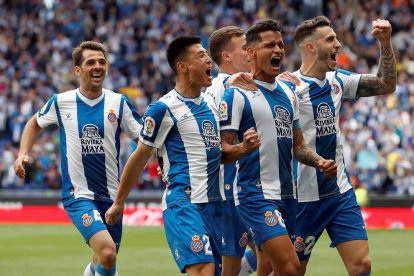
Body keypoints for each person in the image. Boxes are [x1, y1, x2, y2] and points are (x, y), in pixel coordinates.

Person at [105, 35, 260, 275]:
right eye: (201, 56)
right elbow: (139, 157)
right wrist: (119, 202)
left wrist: (244, 148)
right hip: (184, 202)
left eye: (207, 55)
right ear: (182, 66)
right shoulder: (163, 109)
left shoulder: (210, 104)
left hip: (215, 205)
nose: (209, 59)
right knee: (203, 270)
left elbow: (219, 154)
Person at [14, 41, 142, 276]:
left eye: (102, 62)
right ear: (78, 70)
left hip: (113, 196)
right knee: (107, 252)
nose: (97, 66)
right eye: (90, 62)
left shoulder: (119, 103)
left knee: (104, 261)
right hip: (77, 195)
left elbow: (146, 141)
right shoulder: (61, 102)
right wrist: (23, 153)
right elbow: (34, 123)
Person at [220, 19, 337, 276]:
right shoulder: (237, 94)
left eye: (280, 45)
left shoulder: (288, 92)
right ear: (250, 52)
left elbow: (299, 147)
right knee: (291, 268)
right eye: (269, 45)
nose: (278, 50)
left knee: (268, 268)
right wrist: (244, 147)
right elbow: (223, 152)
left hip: (288, 195)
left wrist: (319, 161)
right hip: (255, 194)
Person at [292, 16, 396, 276]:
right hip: (302, 197)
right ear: (311, 48)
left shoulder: (338, 80)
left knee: (362, 266)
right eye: (330, 39)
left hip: (339, 192)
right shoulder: (287, 88)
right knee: (291, 270)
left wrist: (385, 42)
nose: (338, 44)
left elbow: (386, 84)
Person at [205, 26, 260, 276]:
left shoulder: (237, 85)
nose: (250, 52)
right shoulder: (221, 86)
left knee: (271, 251)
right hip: (230, 185)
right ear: (227, 56)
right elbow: (230, 82)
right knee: (233, 262)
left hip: (251, 183)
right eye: (244, 47)